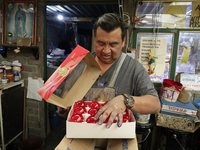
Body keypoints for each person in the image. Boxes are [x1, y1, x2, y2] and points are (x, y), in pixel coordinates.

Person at [57, 13, 161, 129]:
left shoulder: (134, 68)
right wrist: (63, 107)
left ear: (123, 41)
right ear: (95, 39)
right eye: (101, 43)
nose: (106, 51)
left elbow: (155, 105)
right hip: (81, 135)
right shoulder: (81, 64)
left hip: (114, 138)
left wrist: (124, 100)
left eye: (113, 44)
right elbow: (65, 96)